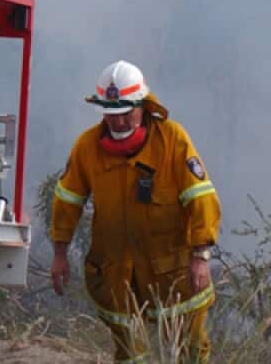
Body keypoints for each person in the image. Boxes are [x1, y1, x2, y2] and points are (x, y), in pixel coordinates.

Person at [50, 60, 220, 363]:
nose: (118, 123)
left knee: (191, 350)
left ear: (142, 105)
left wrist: (201, 256)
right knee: (130, 353)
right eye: (111, 115)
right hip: (117, 273)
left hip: (174, 272)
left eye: (126, 114)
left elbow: (201, 198)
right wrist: (60, 252)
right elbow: (68, 200)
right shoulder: (87, 147)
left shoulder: (172, 140)